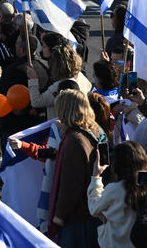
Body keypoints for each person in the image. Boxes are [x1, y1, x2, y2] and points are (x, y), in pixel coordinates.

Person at [49, 89, 105, 246]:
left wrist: (60, 214)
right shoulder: (97, 131)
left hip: (77, 219)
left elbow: (70, 185)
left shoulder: (74, 140)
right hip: (96, 211)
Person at [89, 140, 147, 248]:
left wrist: (96, 176)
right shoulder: (143, 187)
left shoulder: (115, 189)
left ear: (118, 164)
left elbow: (93, 207)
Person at [28, 43, 94, 121]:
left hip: (61, 124)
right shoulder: (80, 76)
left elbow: (36, 101)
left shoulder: (59, 86)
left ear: (56, 65)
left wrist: (33, 79)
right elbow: (89, 86)